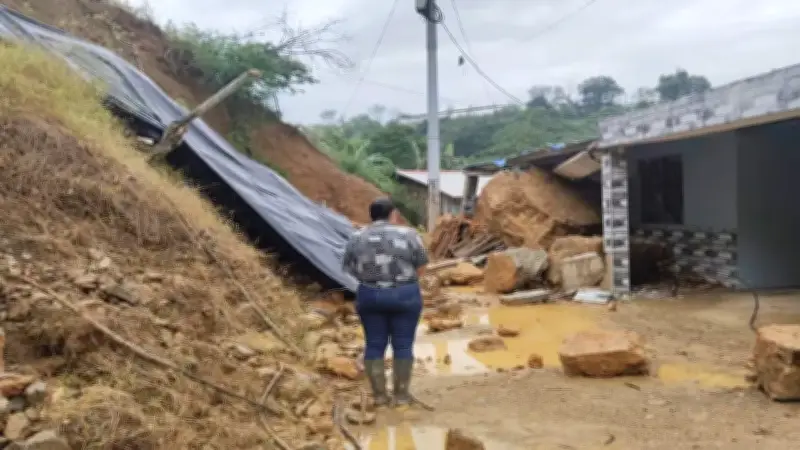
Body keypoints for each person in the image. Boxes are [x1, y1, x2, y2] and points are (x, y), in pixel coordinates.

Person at [342, 198, 428, 409]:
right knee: (403, 344)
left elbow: (350, 268)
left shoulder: (356, 237)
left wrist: (372, 279)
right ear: (393, 214)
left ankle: (379, 396)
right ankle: (401, 396)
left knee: (374, 344)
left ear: (371, 215)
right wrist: (403, 282)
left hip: (370, 295)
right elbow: (421, 266)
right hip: (405, 295)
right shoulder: (409, 234)